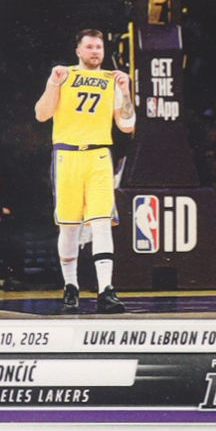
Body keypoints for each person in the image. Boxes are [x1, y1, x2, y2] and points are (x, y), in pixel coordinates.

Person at [34, 28, 135, 313]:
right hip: (67, 155)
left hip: (99, 155)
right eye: (89, 47)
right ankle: (71, 286)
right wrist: (52, 84)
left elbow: (127, 125)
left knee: (102, 223)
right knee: (68, 227)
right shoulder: (64, 74)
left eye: (98, 47)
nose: (95, 52)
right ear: (78, 50)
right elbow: (41, 114)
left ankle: (106, 290)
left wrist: (126, 90)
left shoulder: (112, 79)